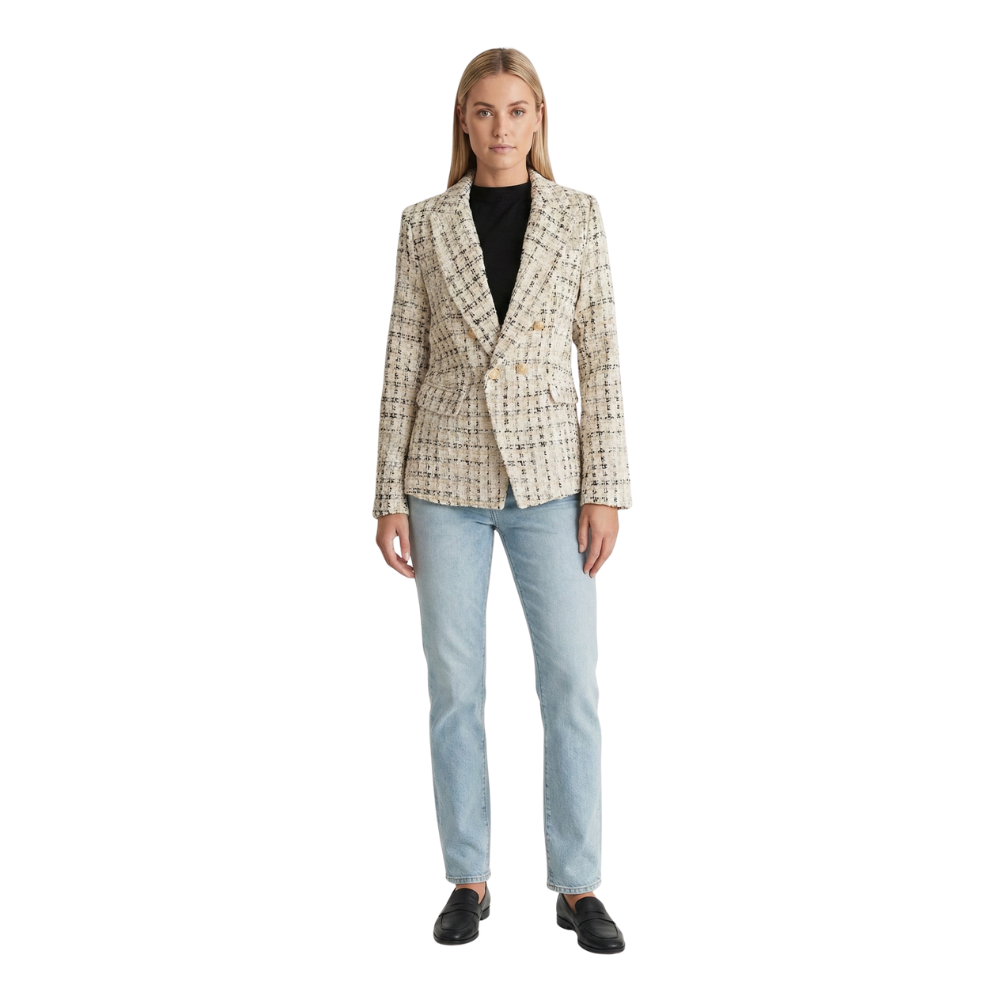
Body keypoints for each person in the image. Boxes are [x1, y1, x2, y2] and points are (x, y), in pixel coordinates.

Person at [372, 47, 632, 954]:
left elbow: (600, 354)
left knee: (571, 684)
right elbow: (402, 356)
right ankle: (468, 879)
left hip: (552, 481)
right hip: (441, 481)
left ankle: (578, 885)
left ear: (539, 117)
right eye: (483, 111)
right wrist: (386, 495)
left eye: (516, 110)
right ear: (464, 120)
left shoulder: (578, 216)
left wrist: (607, 489)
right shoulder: (424, 224)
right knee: (455, 687)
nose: (500, 127)